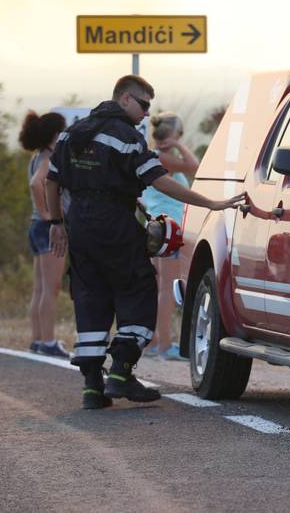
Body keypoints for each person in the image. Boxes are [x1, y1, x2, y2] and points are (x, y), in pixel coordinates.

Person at [45, 75, 245, 410]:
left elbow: (51, 181)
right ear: (124, 98)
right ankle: (121, 372)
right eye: (143, 105)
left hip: (78, 225)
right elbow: (161, 181)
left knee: (89, 294)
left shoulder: (71, 133)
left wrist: (56, 223)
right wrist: (210, 203)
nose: (147, 114)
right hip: (114, 223)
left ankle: (92, 386)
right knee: (138, 288)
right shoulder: (126, 137)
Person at [141, 112, 198, 360]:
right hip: (169, 229)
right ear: (172, 134)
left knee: (157, 287)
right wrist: (179, 146)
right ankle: (164, 343)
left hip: (155, 226)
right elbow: (195, 167)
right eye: (179, 134)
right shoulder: (164, 159)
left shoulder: (150, 157)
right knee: (167, 288)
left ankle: (153, 341)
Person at [19, 111, 70, 358]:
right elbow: (36, 184)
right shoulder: (49, 158)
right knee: (52, 287)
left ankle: (38, 339)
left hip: (35, 227)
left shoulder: (37, 156)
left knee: (40, 288)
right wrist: (49, 215)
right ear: (56, 134)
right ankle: (48, 342)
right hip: (46, 227)